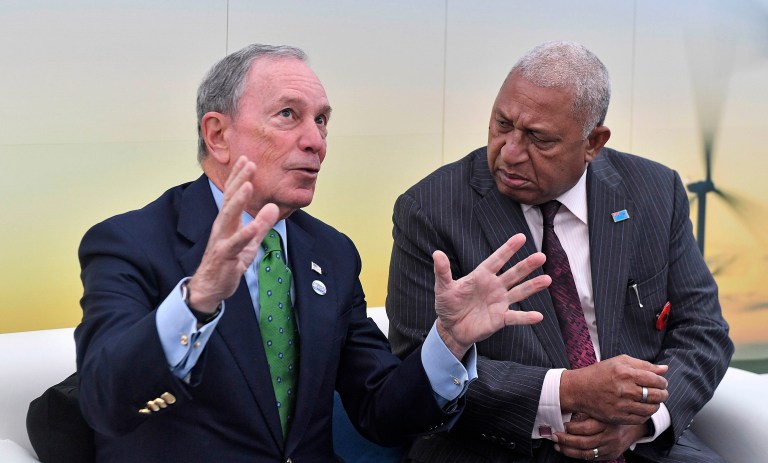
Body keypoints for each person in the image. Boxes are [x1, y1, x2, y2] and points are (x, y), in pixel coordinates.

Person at [73, 44, 552, 463]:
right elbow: (104, 402)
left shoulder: (331, 252)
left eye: (321, 120)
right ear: (218, 135)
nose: (316, 142)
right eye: (288, 115)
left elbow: (381, 412)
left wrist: (449, 341)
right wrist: (196, 301)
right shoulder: (129, 243)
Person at [386, 41, 733, 462]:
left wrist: (641, 419)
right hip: (495, 446)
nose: (510, 152)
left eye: (539, 139)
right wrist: (568, 392)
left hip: (637, 442)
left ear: (593, 143)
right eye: (502, 124)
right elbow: (417, 367)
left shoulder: (655, 192)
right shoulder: (430, 209)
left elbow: (702, 331)